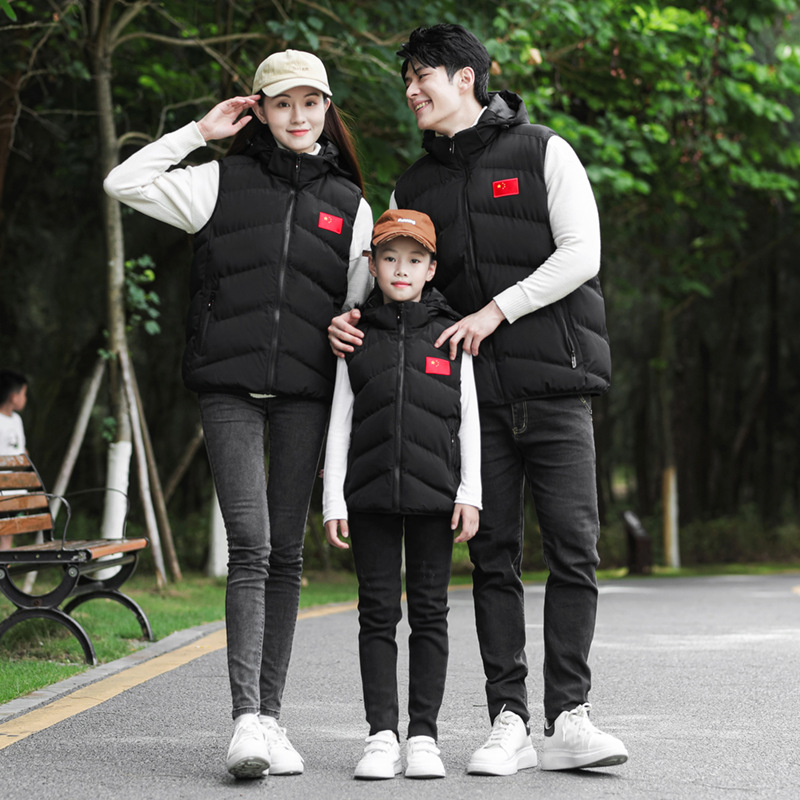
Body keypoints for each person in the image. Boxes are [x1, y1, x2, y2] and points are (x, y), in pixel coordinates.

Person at [328, 23, 628, 775]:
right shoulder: (411, 187)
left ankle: (570, 716)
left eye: (421, 75)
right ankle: (510, 719)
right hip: (473, 401)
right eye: (406, 79)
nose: (410, 90)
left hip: (557, 384)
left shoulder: (543, 151)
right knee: (494, 557)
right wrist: (347, 316)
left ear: (466, 76)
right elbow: (387, 280)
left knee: (574, 550)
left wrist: (498, 311)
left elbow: (583, 253)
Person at [104, 49, 373, 780]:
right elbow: (123, 181)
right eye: (282, 103)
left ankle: (272, 718)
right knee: (251, 545)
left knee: (286, 553)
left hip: (305, 395)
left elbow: (358, 305)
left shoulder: (350, 203)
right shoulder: (217, 180)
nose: (298, 116)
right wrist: (200, 131)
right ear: (259, 109)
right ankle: (245, 722)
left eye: (310, 103)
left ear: (326, 109)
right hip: (228, 389)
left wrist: (350, 324)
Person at [323, 210, 481, 780]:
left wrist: (470, 492)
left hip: (437, 497)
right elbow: (340, 421)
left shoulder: (451, 334)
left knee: (431, 614)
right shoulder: (355, 334)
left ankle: (424, 737)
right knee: (377, 615)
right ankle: (381, 736)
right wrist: (334, 500)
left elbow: (469, 418)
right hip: (368, 499)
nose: (401, 269)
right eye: (389, 258)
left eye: (414, 260)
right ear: (372, 265)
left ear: (431, 268)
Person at [0, 370, 29, 549]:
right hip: (2, 488)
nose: (25, 398)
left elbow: (22, 449)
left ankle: (5, 565)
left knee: (7, 534)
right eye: (24, 393)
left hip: (15, 488)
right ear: (13, 396)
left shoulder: (17, 420)